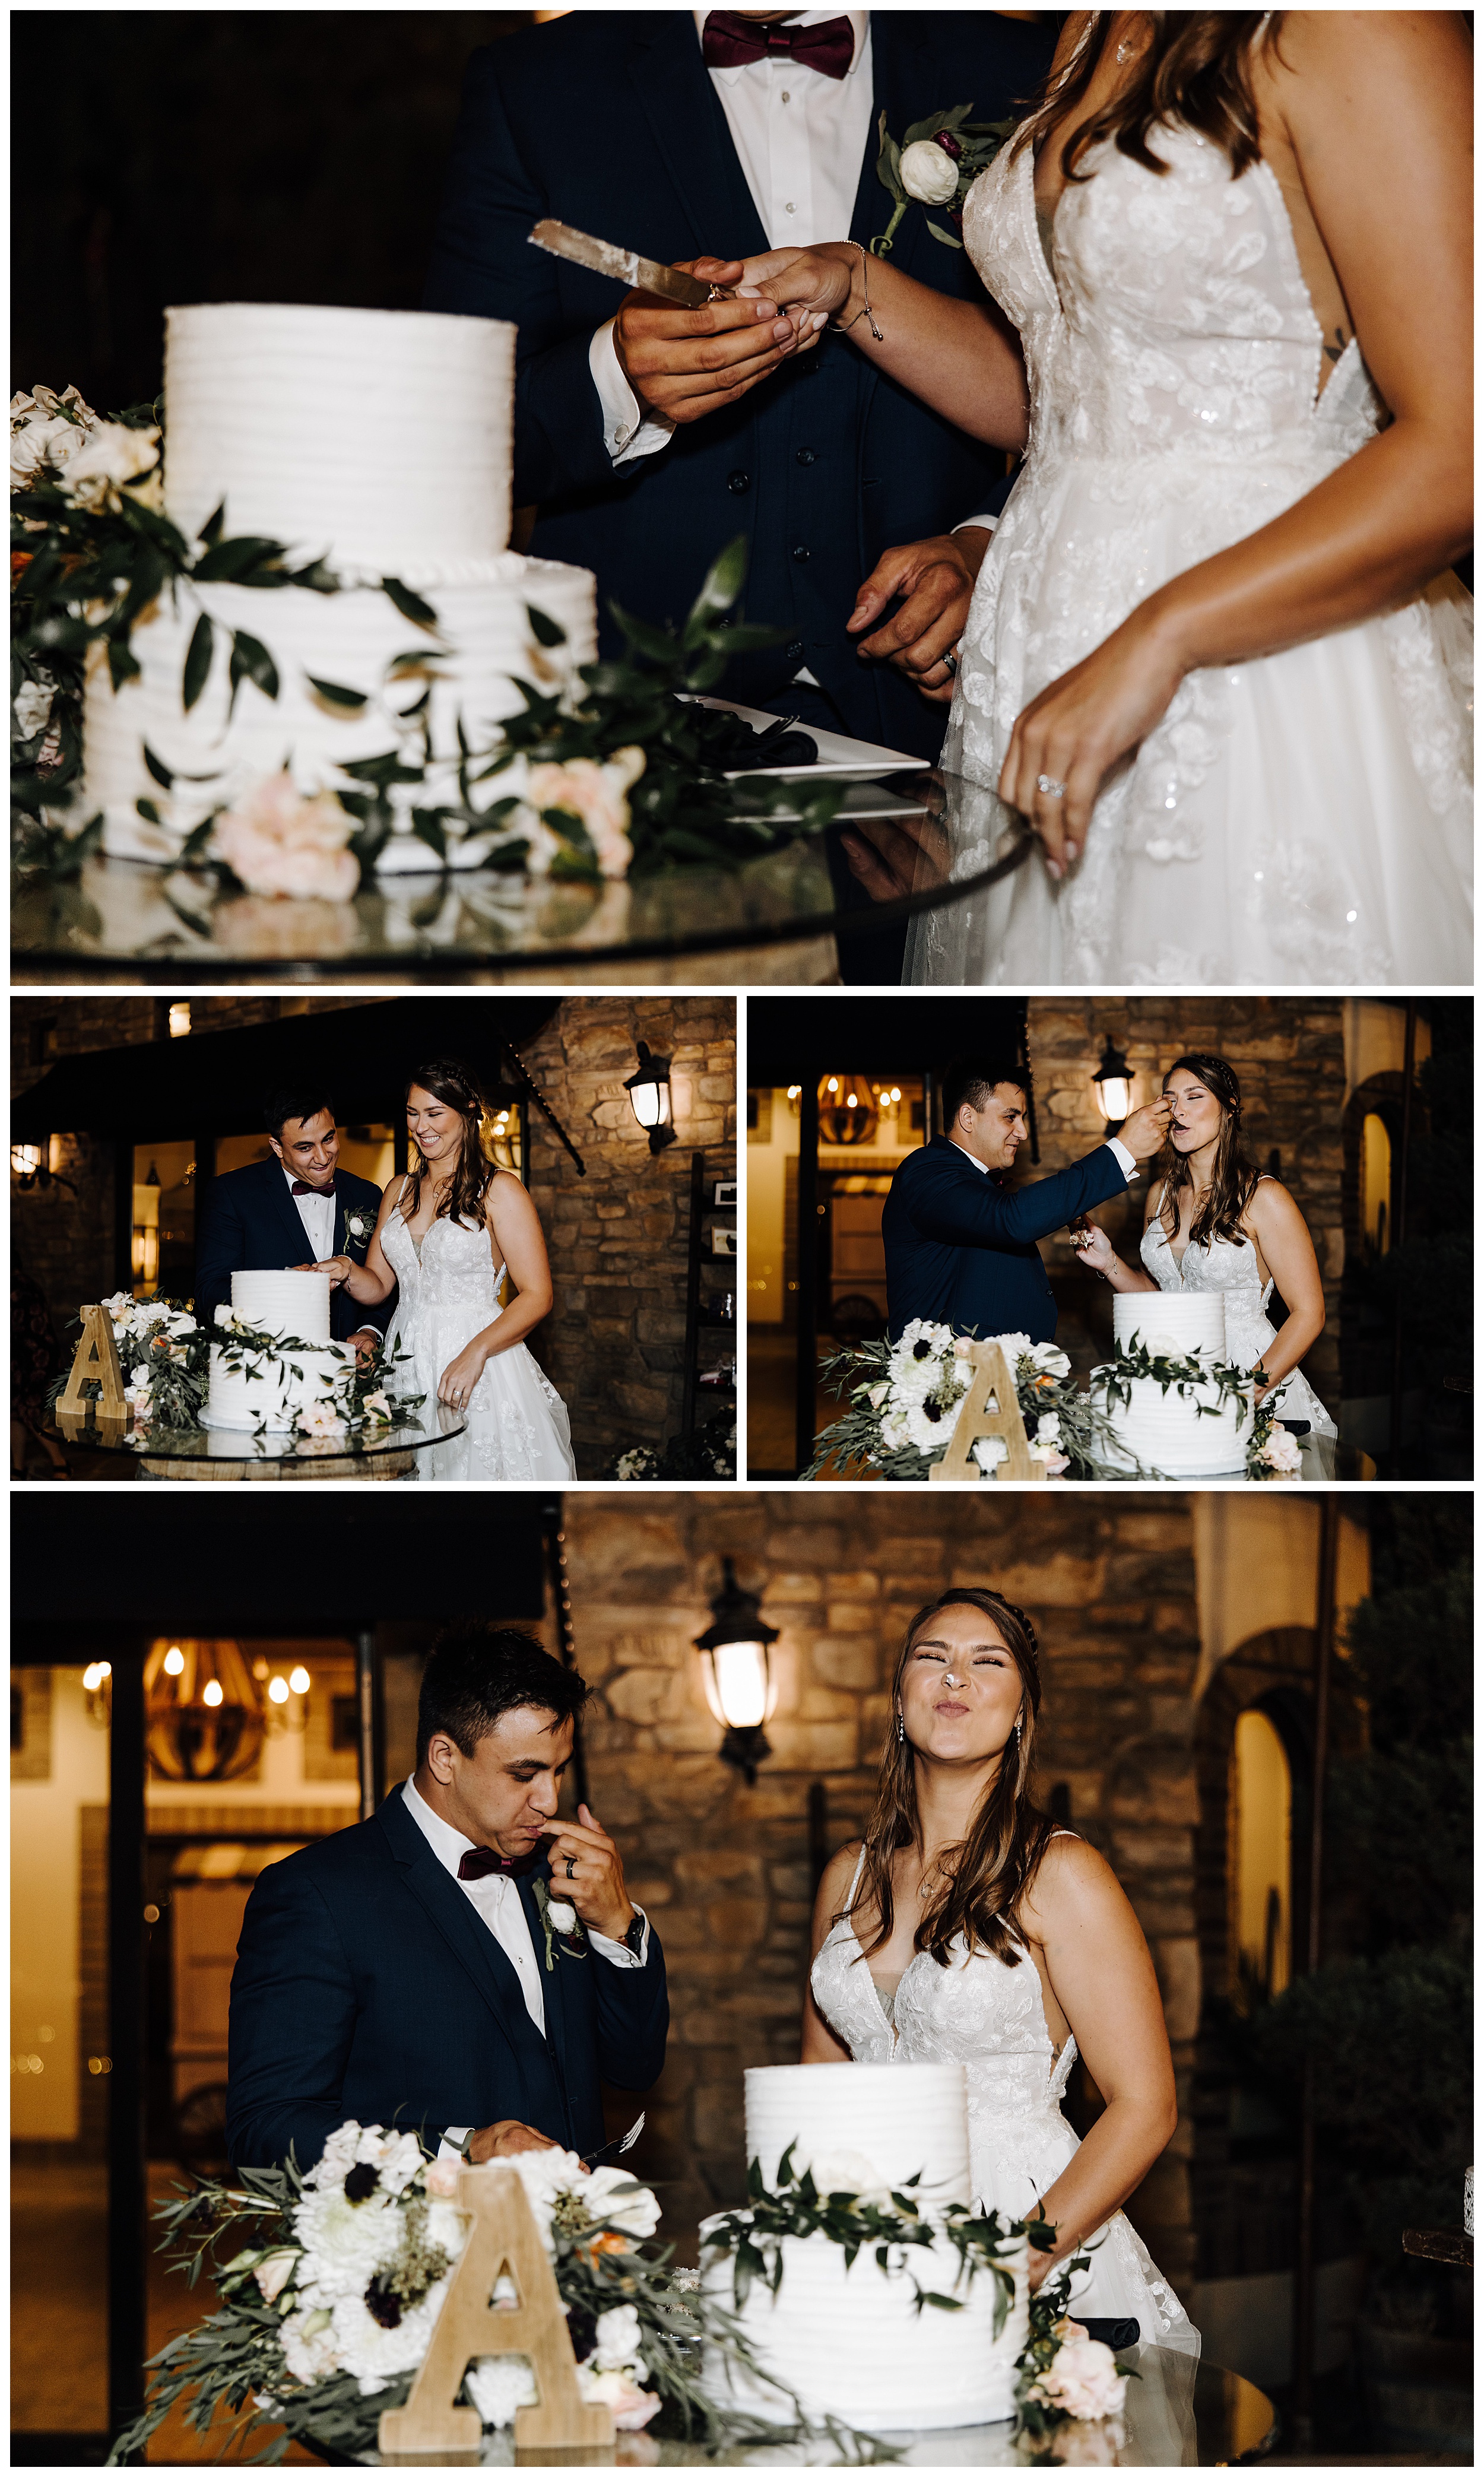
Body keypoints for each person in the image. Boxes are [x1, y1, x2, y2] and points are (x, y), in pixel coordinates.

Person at [734, 9, 1473, 986]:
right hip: (1045, 649)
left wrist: (1160, 638)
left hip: (1260, 650)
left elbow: (1459, 448)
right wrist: (852, 281)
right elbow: (1077, 394)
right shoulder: (1095, 20)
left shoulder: (1358, 25)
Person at [421, 7, 1057, 982]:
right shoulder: (537, 84)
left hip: (936, 743)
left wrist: (991, 546)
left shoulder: (1019, 66)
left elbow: (1112, 391)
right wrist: (616, 377)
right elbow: (457, 436)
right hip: (630, 752)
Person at [803, 1586, 1200, 2356]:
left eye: (987, 1662)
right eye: (933, 1657)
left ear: (1021, 1712)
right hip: (874, 2244)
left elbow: (1145, 2105)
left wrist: (1017, 2263)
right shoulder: (847, 1878)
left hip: (1025, 2228)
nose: (955, 1676)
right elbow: (822, 2084)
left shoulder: (1061, 1872)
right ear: (900, 1698)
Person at [227, 1626, 667, 2172]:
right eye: (524, 1773)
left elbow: (635, 2068)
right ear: (444, 1757)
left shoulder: (560, 1872)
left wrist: (617, 1923)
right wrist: (459, 2150)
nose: (549, 1799)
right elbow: (267, 2128)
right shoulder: (317, 1894)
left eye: (559, 1770)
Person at [314, 1057, 575, 1482]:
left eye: (434, 1113)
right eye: (412, 1113)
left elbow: (538, 1294)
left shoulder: (500, 1190)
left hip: (479, 1362)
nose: (421, 1127)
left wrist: (477, 1352)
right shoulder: (398, 1190)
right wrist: (345, 1268)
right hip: (405, 1361)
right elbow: (379, 1286)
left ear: (468, 1111)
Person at [1073, 1052, 1337, 1437]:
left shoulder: (1264, 1197)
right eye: (1170, 1099)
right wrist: (1108, 1261)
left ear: (1229, 1109)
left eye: (1194, 1097)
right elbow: (1161, 1298)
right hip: (1177, 1379)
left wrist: (1247, 1392)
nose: (1178, 1110)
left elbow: (1309, 1313)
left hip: (1251, 1374)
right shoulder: (1160, 1196)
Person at [881, 1056, 1172, 1342]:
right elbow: (1012, 1219)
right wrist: (1124, 1150)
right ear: (968, 1118)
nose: (1022, 1132)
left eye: (1022, 1118)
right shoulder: (925, 1172)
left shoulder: (974, 1180)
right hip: (945, 1367)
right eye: (1010, 1117)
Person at [194, 1092, 394, 1363]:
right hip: (269, 1367)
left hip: (352, 1371)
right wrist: (283, 1287)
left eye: (328, 1139)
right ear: (277, 1147)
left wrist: (369, 1331)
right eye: (305, 1148)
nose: (323, 1157)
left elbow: (385, 1281)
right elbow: (211, 1292)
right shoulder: (232, 1193)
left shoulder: (367, 1194)